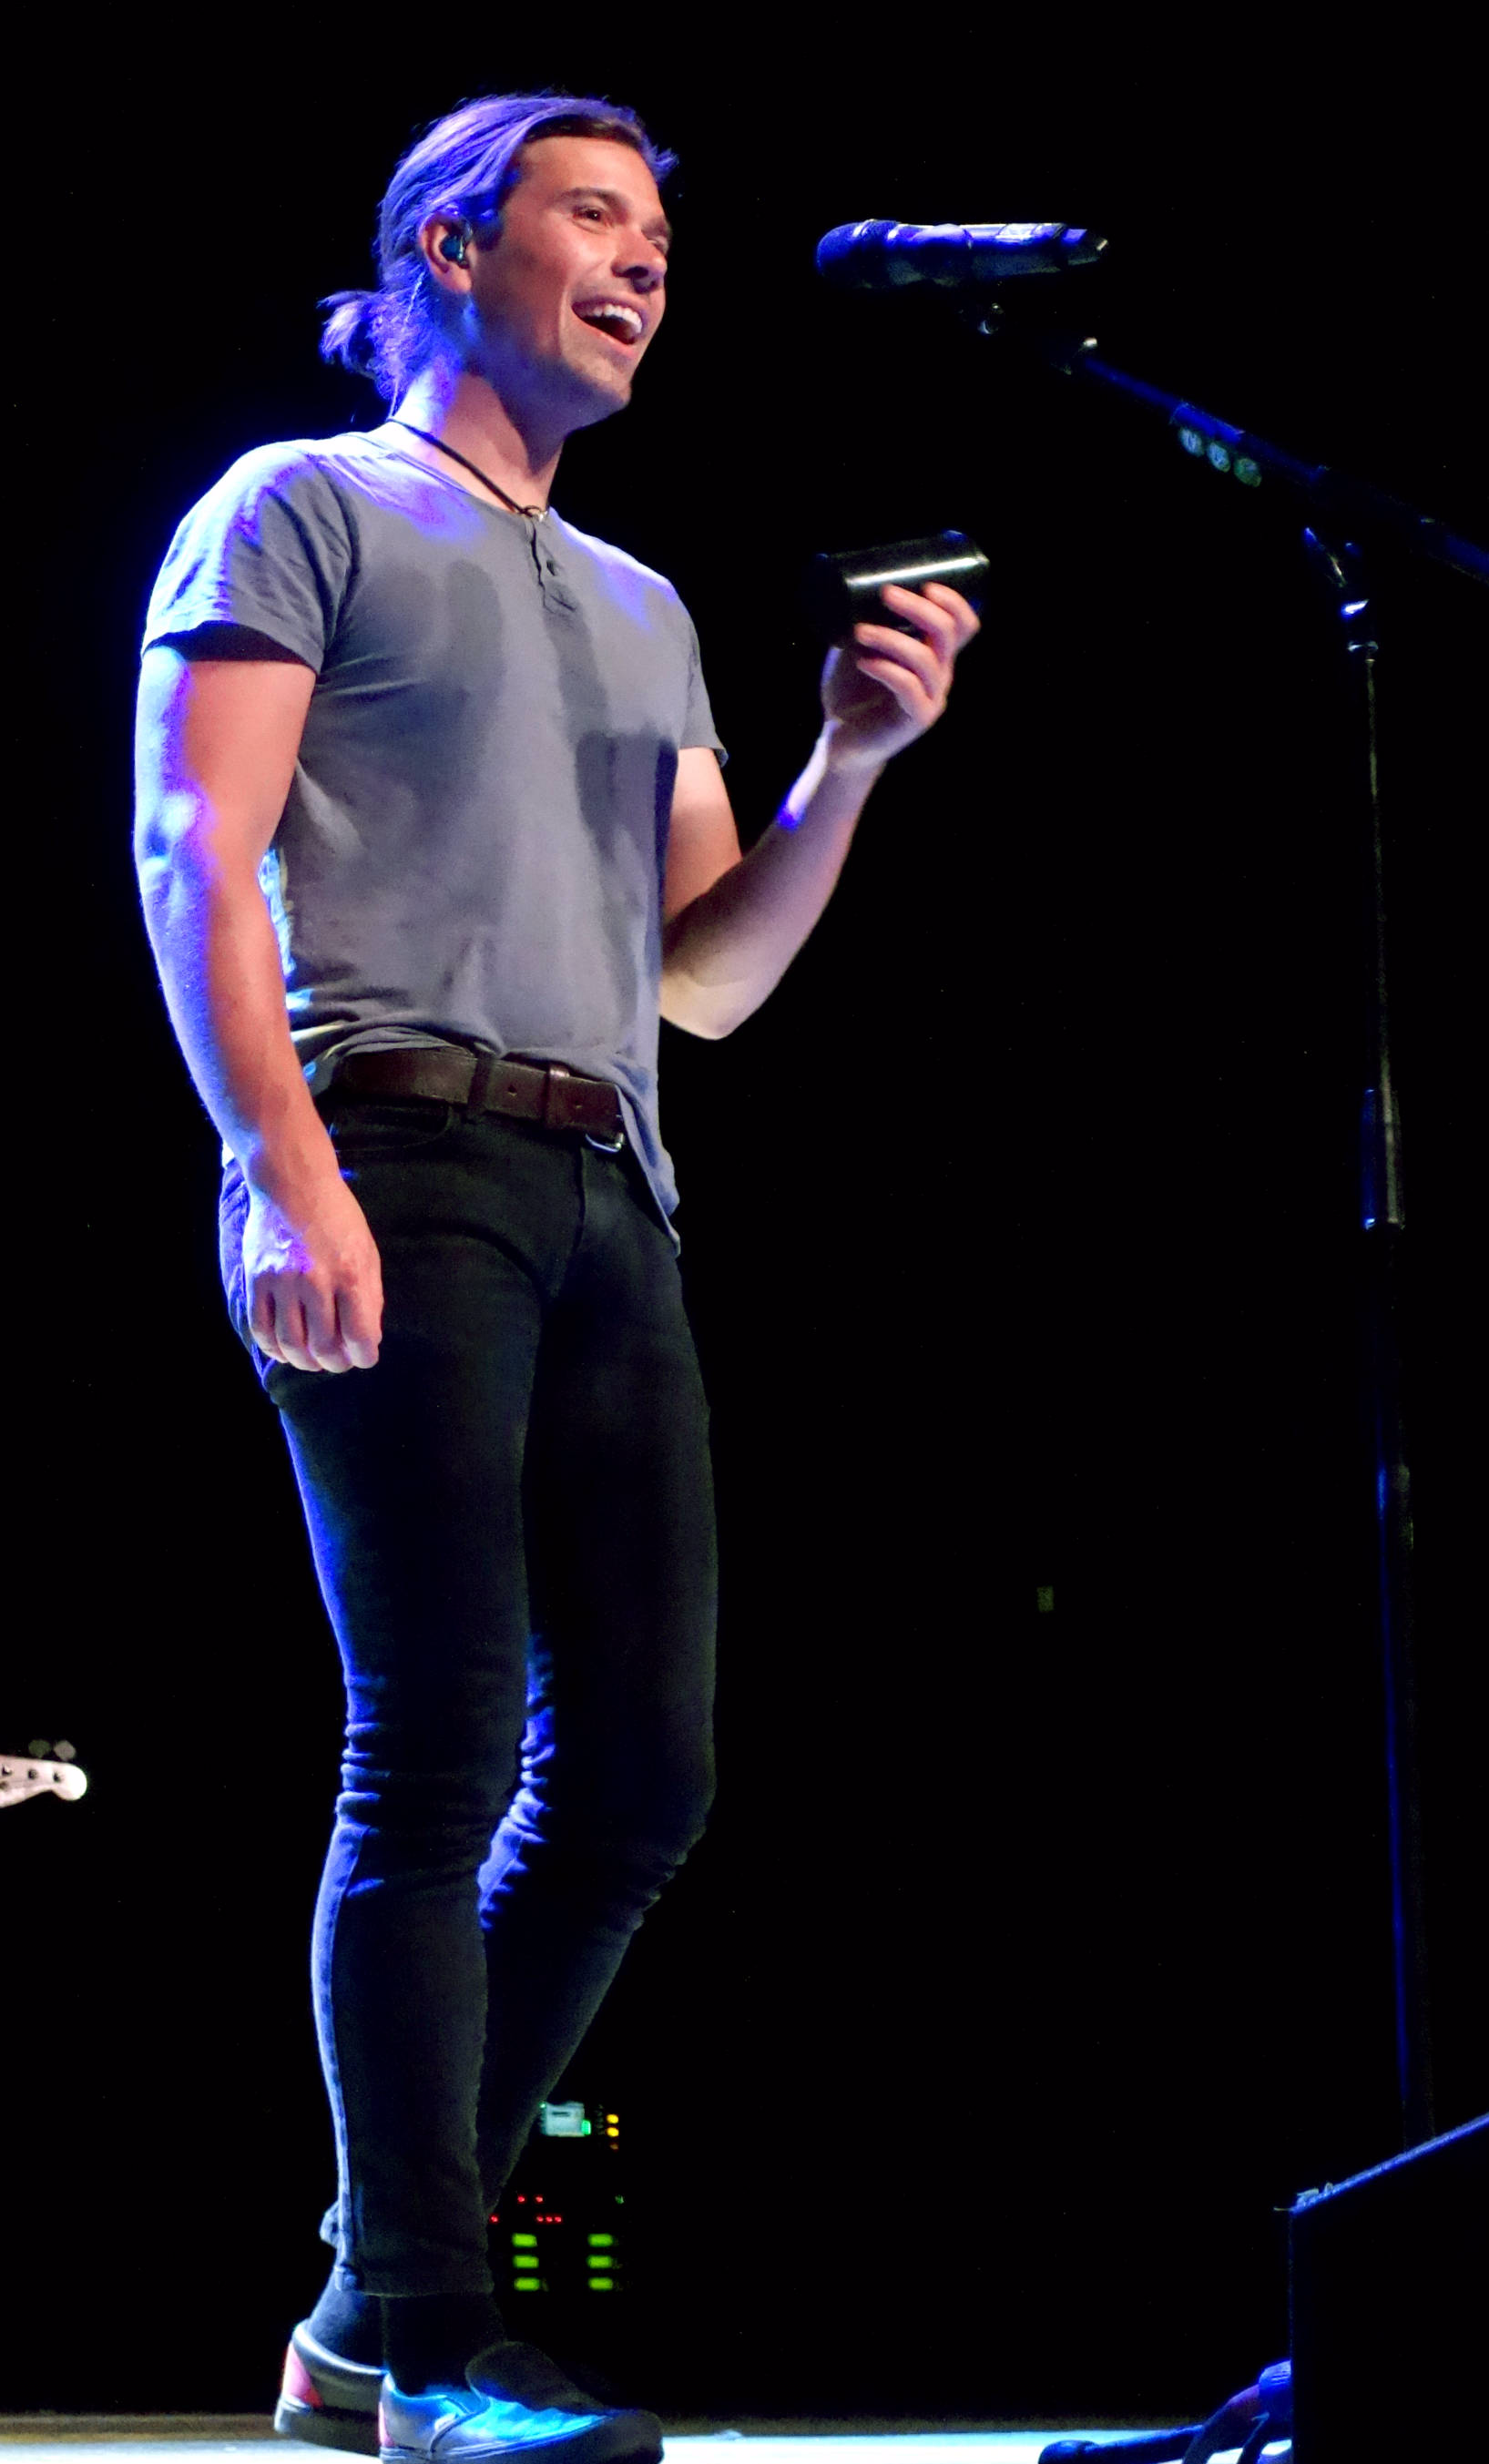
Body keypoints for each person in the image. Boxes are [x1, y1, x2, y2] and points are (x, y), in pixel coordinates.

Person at [134, 90, 978, 2464]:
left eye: (659, 245)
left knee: (642, 1776)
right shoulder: (302, 505)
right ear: (447, 244)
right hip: (391, 1141)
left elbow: (705, 977)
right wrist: (279, 1170)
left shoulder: (642, 604)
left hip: (616, 1184)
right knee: (433, 1742)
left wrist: (849, 763)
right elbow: (194, 847)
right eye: (593, 218)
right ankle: (430, 2335)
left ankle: (359, 2305)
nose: (642, 267)